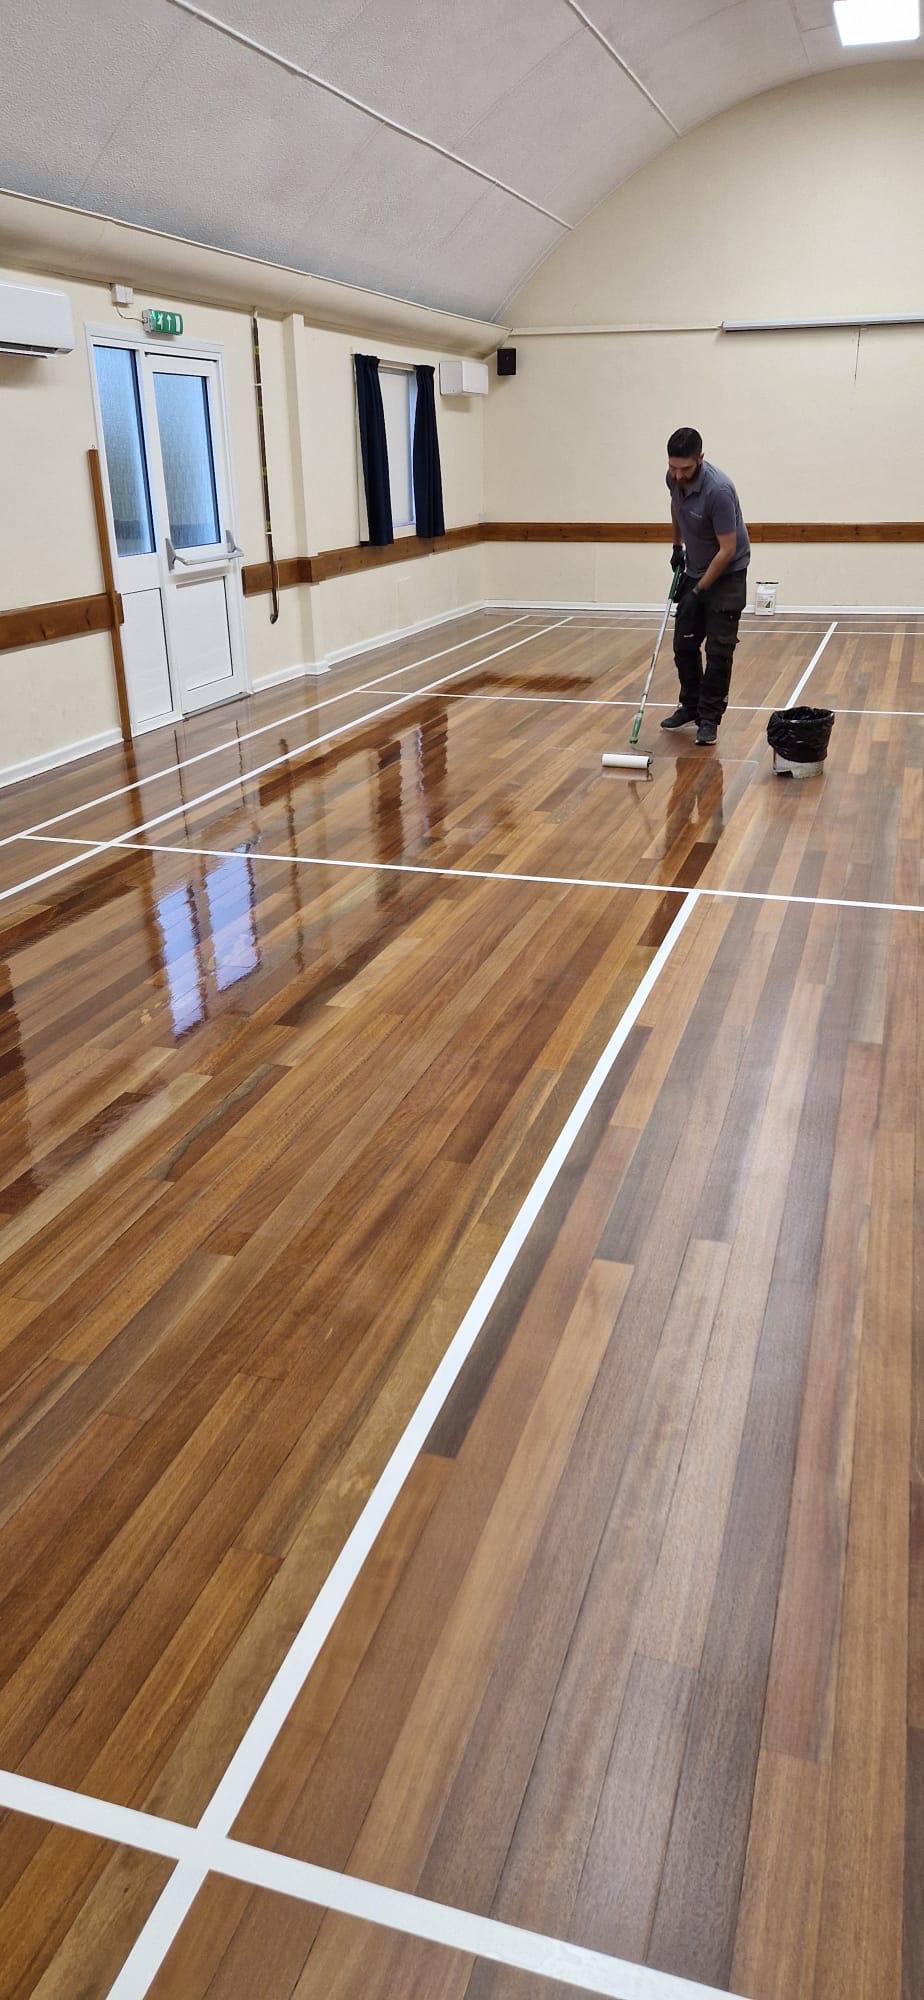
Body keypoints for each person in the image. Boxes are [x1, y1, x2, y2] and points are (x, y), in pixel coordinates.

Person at [661, 427, 750, 746]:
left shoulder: (719, 491)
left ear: (700, 458)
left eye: (685, 468)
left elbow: (727, 551)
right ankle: (690, 705)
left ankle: (709, 719)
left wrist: (698, 592)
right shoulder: (674, 478)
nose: (678, 474)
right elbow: (676, 507)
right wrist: (677, 546)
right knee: (683, 644)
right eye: (673, 466)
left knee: (718, 650)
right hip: (696, 567)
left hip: (728, 573)